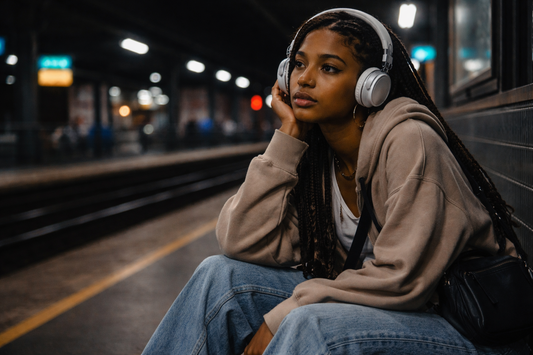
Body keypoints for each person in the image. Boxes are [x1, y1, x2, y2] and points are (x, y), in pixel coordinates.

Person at [141, 9, 530, 355]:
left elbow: (403, 281)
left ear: (370, 85)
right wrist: (288, 137)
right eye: (298, 64)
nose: (304, 80)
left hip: (466, 325)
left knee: (308, 322)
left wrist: (287, 310)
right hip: (387, 307)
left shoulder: (411, 141)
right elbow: (241, 241)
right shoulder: (317, 152)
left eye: (329, 68)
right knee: (218, 275)